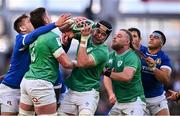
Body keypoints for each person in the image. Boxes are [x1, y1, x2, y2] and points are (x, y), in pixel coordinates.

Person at [0, 14, 68, 115]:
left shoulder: (38, 40)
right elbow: (34, 34)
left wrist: (67, 42)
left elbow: (57, 57)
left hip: (28, 88)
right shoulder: (21, 38)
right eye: (29, 21)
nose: (32, 22)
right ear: (22, 28)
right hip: (11, 89)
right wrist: (55, 24)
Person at [19, 7, 76, 115]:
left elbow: (50, 56)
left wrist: (64, 44)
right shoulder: (50, 37)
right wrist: (79, 64)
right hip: (41, 84)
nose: (50, 18)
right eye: (48, 16)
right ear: (45, 19)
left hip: (27, 81)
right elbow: (66, 64)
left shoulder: (34, 37)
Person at [59, 20, 112, 115]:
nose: (99, 35)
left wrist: (83, 39)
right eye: (98, 31)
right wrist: (78, 20)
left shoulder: (103, 52)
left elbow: (82, 63)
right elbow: (64, 29)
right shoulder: (88, 36)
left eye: (104, 35)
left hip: (88, 93)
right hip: (72, 90)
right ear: (93, 29)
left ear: (106, 37)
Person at [103, 29, 146, 116]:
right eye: (114, 36)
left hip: (134, 102)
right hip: (119, 103)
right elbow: (106, 76)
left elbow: (127, 77)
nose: (114, 37)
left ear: (127, 42)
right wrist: (111, 93)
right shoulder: (110, 56)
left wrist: (107, 73)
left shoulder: (131, 56)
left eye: (119, 36)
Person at [140, 30, 172, 115]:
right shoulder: (141, 50)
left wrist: (153, 68)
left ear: (161, 43)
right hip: (139, 98)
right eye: (151, 36)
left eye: (156, 37)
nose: (151, 38)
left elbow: (165, 79)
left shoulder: (164, 58)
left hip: (157, 99)